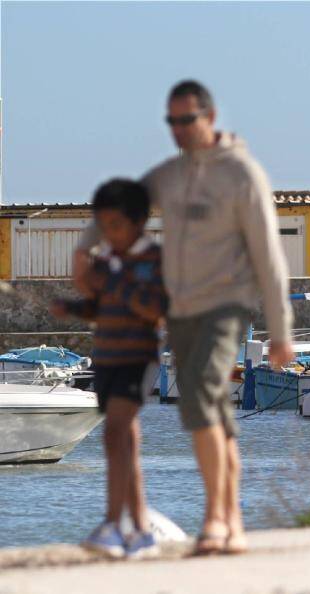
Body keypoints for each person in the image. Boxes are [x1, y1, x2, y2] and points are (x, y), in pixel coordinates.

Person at [73, 80, 294, 555]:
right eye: (170, 122)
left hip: (226, 306)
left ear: (210, 118)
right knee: (213, 409)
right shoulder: (169, 175)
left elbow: (270, 256)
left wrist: (280, 331)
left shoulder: (242, 175)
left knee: (195, 394)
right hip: (180, 310)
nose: (177, 130)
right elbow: (122, 200)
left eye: (185, 120)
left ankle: (215, 517)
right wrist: (82, 249)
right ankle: (232, 521)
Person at [54, 179, 166, 559]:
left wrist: (113, 282)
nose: (109, 233)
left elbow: (155, 308)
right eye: (103, 225)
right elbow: (98, 306)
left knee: (114, 432)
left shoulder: (155, 258)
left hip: (138, 358)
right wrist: (70, 308)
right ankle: (139, 530)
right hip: (107, 357)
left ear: (137, 222)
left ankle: (112, 523)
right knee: (124, 441)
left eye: (116, 225)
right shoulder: (104, 261)